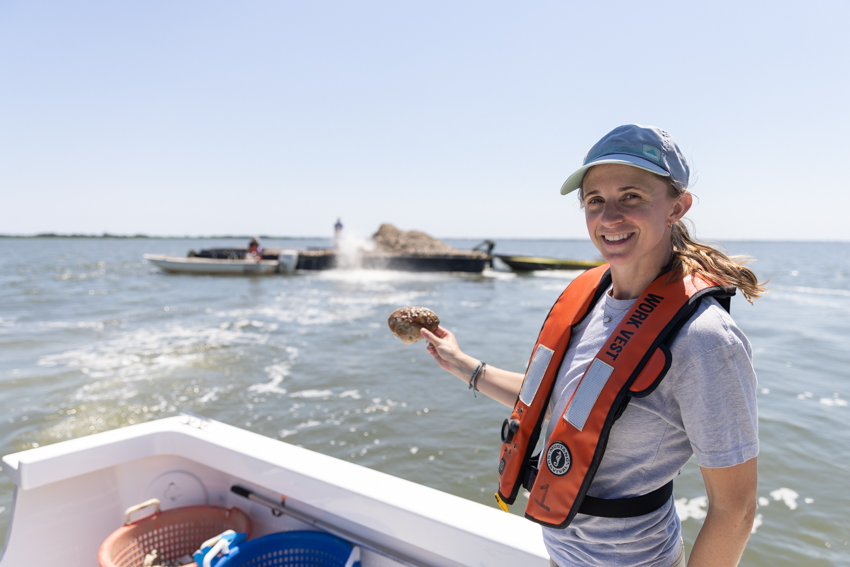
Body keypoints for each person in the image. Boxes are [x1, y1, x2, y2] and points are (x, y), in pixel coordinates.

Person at [421, 125, 764, 567]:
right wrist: (463, 365)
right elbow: (563, 402)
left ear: (677, 206)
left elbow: (735, 509)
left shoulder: (705, 340)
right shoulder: (590, 299)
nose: (609, 217)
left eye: (632, 197)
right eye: (595, 200)